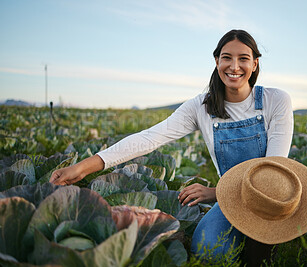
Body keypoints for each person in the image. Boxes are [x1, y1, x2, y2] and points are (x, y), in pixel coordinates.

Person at [50, 29, 294, 264]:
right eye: (226, 58)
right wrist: (83, 167)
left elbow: (272, 168)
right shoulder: (202, 107)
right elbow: (150, 138)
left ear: (255, 64)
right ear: (217, 60)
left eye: (243, 59)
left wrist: (215, 193)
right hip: (231, 199)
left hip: (271, 197)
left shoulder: (276, 101)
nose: (234, 67)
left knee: (265, 247)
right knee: (209, 251)